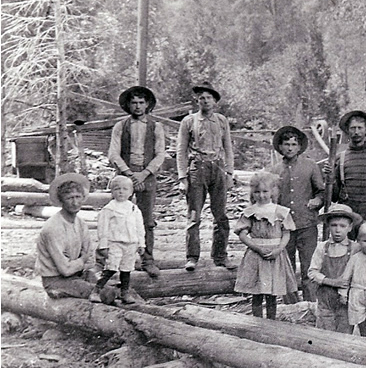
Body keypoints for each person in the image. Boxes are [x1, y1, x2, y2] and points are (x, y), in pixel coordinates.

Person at [177, 82, 235, 271]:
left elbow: (228, 148)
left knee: (221, 215)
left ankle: (220, 255)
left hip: (217, 168)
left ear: (215, 101)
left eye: (209, 98)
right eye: (202, 98)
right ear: (197, 100)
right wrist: (182, 178)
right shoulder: (189, 121)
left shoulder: (221, 120)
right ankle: (192, 256)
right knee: (194, 216)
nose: (205, 101)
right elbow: (181, 150)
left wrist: (229, 173)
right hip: (197, 168)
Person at [108, 86, 166, 278]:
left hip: (147, 176)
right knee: (119, 216)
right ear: (128, 105)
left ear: (147, 104)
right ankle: (114, 260)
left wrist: (144, 174)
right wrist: (129, 174)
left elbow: (160, 155)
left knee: (147, 220)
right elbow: (114, 153)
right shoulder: (120, 126)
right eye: (134, 102)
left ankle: (147, 260)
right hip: (125, 175)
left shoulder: (156, 127)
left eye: (141, 102)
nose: (138, 106)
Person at [269, 126, 325, 302]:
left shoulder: (311, 166)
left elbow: (321, 192)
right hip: (284, 227)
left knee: (309, 266)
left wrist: (318, 201)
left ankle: (310, 304)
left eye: (294, 144)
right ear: (280, 147)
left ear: (300, 147)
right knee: (287, 267)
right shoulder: (275, 170)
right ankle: (292, 306)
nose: (290, 148)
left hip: (307, 224)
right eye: (286, 144)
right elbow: (270, 200)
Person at [234, 171, 298, 319]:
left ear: (272, 191)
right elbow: (242, 234)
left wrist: (279, 249)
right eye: (257, 192)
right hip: (256, 255)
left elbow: (286, 233)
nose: (261, 196)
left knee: (272, 293)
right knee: (257, 292)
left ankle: (271, 322)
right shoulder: (250, 212)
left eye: (265, 191)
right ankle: (257, 321)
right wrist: (256, 247)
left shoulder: (280, 211)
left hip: (275, 255)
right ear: (252, 193)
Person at [35, 174, 96, 299]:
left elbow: (90, 257)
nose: (75, 203)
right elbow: (65, 269)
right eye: (69, 198)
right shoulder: (53, 227)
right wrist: (81, 260)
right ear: (61, 200)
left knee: (111, 286)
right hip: (56, 282)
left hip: (78, 275)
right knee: (103, 292)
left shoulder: (81, 224)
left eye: (78, 197)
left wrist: (79, 261)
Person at [330, 110, 366, 229]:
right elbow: (334, 197)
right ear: (347, 130)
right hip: (346, 217)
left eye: (359, 128)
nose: (356, 132)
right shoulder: (339, 158)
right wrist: (331, 179)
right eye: (352, 128)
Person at [89, 176, 144, 304]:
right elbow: (103, 228)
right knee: (111, 268)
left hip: (131, 243)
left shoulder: (133, 208)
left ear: (131, 192)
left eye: (125, 189)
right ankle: (96, 291)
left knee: (126, 269)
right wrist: (103, 245)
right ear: (112, 192)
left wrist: (141, 243)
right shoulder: (109, 209)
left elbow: (139, 227)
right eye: (117, 189)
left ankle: (125, 293)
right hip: (115, 243)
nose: (121, 192)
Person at [308, 204, 362, 333]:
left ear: (350, 228)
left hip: (346, 301)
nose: (338, 230)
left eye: (342, 226)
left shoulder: (355, 248)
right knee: (324, 334)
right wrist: (330, 281)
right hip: (325, 300)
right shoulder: (323, 248)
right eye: (334, 225)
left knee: (344, 334)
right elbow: (312, 272)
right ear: (328, 226)